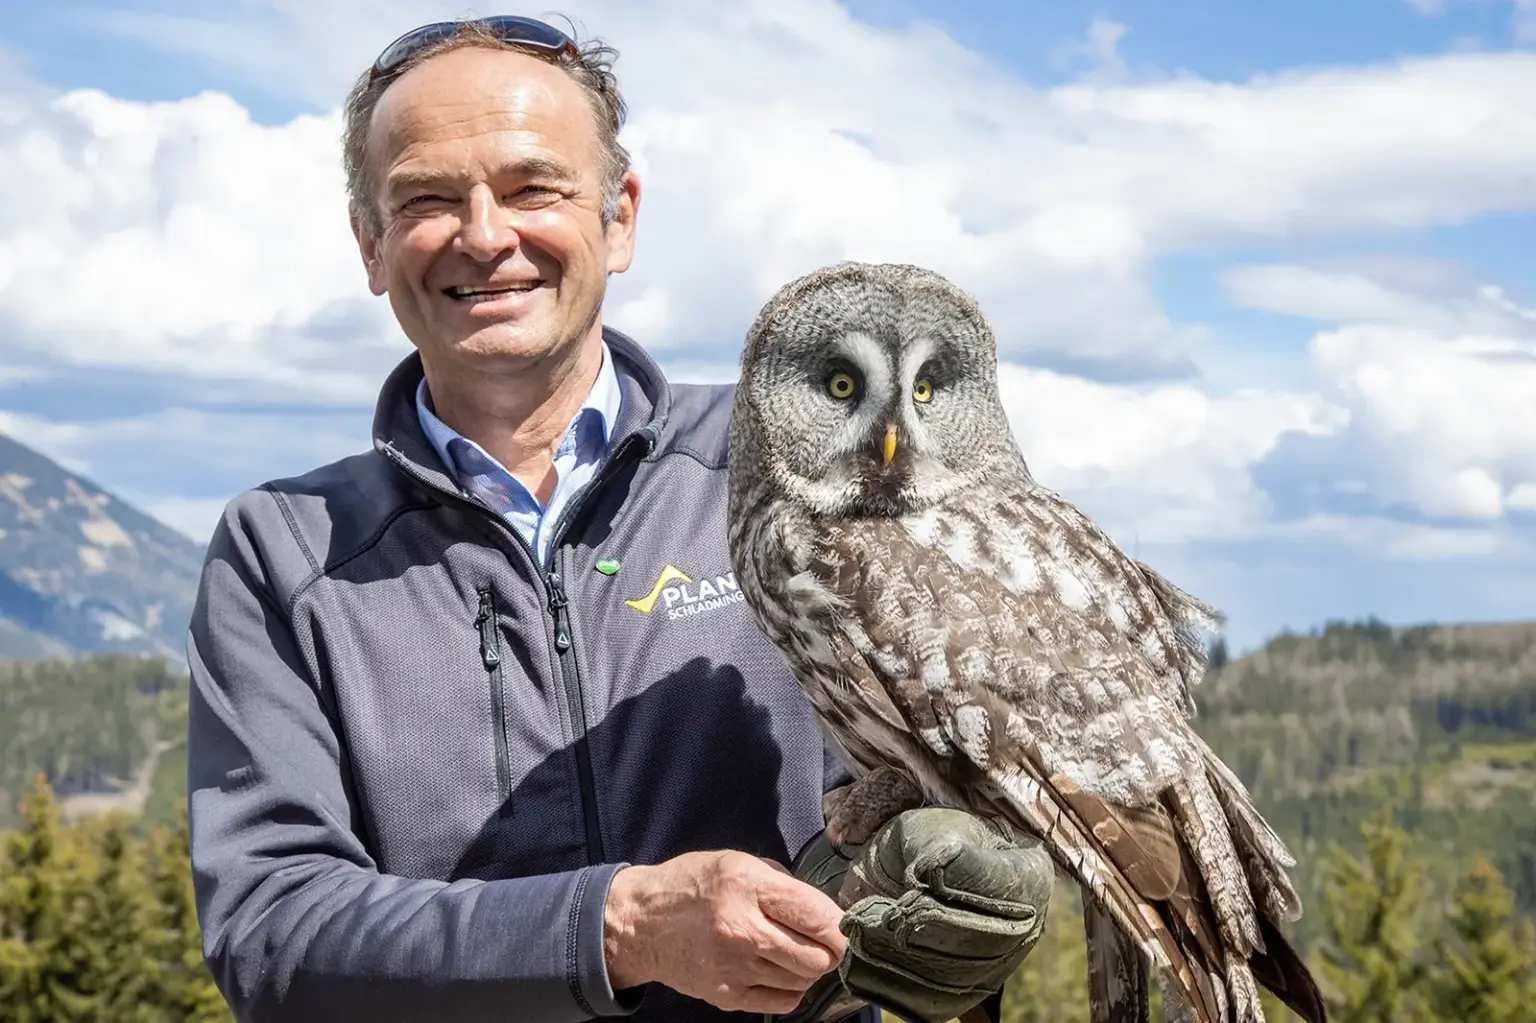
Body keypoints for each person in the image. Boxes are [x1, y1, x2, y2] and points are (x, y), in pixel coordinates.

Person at [185, 15, 1052, 1023]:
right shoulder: (284, 553)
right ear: (371, 245)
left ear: (620, 217)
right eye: (426, 200)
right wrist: (617, 931)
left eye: (531, 187)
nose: (483, 233)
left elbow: (969, 771)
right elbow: (272, 936)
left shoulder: (806, 472)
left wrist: (954, 898)